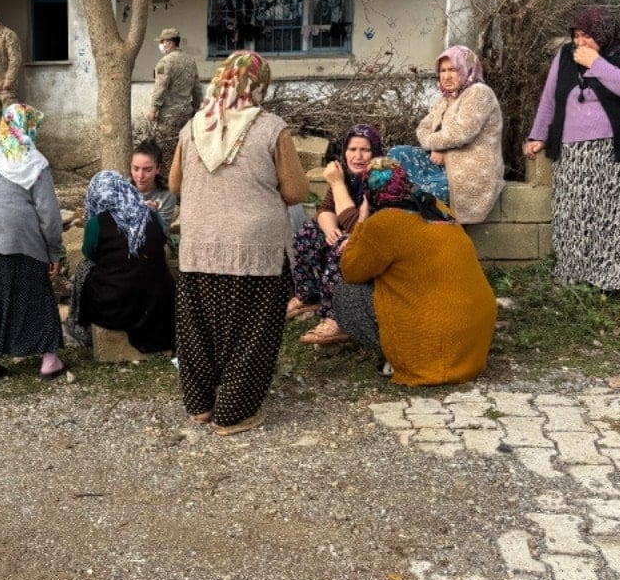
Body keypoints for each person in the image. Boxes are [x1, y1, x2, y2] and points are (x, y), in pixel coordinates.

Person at [175, 51, 309, 436]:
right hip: (253, 250)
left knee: (199, 330)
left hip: (198, 247)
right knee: (250, 332)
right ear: (259, 84)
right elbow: (298, 190)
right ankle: (233, 413)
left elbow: (173, 184)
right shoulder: (270, 128)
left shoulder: (194, 126)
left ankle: (200, 405)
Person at [522, 7, 620, 293]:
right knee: (576, 214)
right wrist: (538, 135)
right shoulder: (564, 56)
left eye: (587, 36)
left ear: (603, 33)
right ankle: (578, 275)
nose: (580, 42)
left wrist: (596, 62)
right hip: (574, 151)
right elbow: (550, 97)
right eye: (576, 36)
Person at [336, 158, 496, 386]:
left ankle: (402, 358)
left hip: (438, 343)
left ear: (368, 194)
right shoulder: (436, 206)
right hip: (473, 339)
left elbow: (351, 271)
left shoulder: (384, 222)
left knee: (347, 293)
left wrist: (361, 220)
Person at [0, 103, 65, 385]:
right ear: (28, 127)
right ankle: (49, 360)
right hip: (22, 239)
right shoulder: (35, 162)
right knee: (35, 298)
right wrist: (53, 251)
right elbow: (48, 213)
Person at [289, 124, 384, 344]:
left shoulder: (380, 178)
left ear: (375, 151)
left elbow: (356, 227)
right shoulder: (347, 173)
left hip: (372, 244)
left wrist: (337, 183)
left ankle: (336, 319)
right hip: (351, 233)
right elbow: (325, 209)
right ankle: (308, 296)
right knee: (307, 233)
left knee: (342, 247)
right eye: (352, 149)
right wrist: (330, 228)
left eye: (365, 150)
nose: (358, 156)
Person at [68, 170, 175, 353]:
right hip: (157, 305)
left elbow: (90, 254)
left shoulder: (96, 223)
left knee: (84, 267)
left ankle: (79, 325)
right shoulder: (152, 215)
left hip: (115, 308)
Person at [396, 45, 503, 224]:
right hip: (443, 165)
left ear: (466, 69)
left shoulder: (479, 93)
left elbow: (461, 133)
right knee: (398, 154)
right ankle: (405, 198)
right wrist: (436, 146)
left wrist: (438, 146)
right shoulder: (446, 98)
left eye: (453, 70)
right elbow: (422, 128)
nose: (446, 76)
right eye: (442, 70)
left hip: (469, 169)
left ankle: (411, 207)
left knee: (424, 194)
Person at [147, 27, 204, 165]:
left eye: (163, 41)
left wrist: (153, 109)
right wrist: (198, 107)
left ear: (170, 43)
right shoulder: (190, 61)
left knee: (165, 150)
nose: (161, 45)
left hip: (169, 115)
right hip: (186, 114)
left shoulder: (165, 62)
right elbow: (197, 88)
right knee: (184, 149)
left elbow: (160, 88)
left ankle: (167, 180)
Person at [129, 140, 176, 224]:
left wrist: (153, 215)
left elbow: (163, 231)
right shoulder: (121, 188)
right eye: (136, 169)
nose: (140, 176)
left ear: (157, 169)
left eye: (147, 170)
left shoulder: (167, 195)